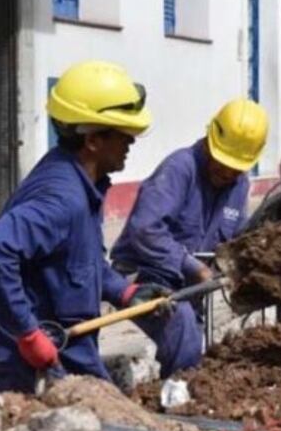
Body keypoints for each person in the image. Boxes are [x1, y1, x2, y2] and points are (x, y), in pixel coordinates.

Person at [0, 60, 165, 393]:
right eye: (124, 135)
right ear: (94, 140)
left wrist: (123, 291)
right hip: (13, 364)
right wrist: (27, 334)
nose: (131, 143)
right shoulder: (63, 198)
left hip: (62, 351)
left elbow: (80, 261)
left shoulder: (83, 184)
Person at [111, 98, 269, 378]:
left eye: (235, 168)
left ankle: (181, 385)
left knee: (195, 340)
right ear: (210, 140)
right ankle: (178, 396)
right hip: (144, 276)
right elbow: (144, 229)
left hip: (190, 287)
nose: (227, 173)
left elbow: (236, 237)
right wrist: (190, 265)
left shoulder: (238, 183)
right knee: (180, 323)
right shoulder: (179, 168)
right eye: (222, 163)